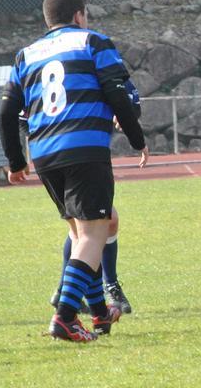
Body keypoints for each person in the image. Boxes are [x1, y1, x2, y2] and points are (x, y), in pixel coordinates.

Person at [0, 0, 149, 342]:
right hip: (84, 148)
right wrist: (137, 138)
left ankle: (99, 313)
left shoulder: (26, 55)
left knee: (82, 234)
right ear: (79, 15)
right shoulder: (92, 42)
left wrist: (15, 161)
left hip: (44, 154)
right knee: (96, 232)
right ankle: (65, 317)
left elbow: (6, 114)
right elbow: (116, 93)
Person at [46, 78, 140, 315]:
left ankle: (67, 292)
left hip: (78, 154)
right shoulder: (67, 70)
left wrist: (125, 111)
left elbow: (131, 100)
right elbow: (21, 114)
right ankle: (101, 293)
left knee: (83, 227)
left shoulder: (101, 67)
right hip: (73, 155)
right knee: (98, 223)